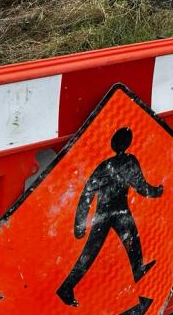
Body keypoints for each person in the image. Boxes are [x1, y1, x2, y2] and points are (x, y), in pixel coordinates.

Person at [57, 127, 163, 307]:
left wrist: (80, 224)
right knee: (95, 251)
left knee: (129, 239)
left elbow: (87, 194)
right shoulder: (129, 162)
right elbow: (141, 187)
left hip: (105, 213)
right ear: (127, 143)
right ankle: (66, 287)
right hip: (117, 211)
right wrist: (158, 191)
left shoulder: (104, 165)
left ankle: (138, 269)